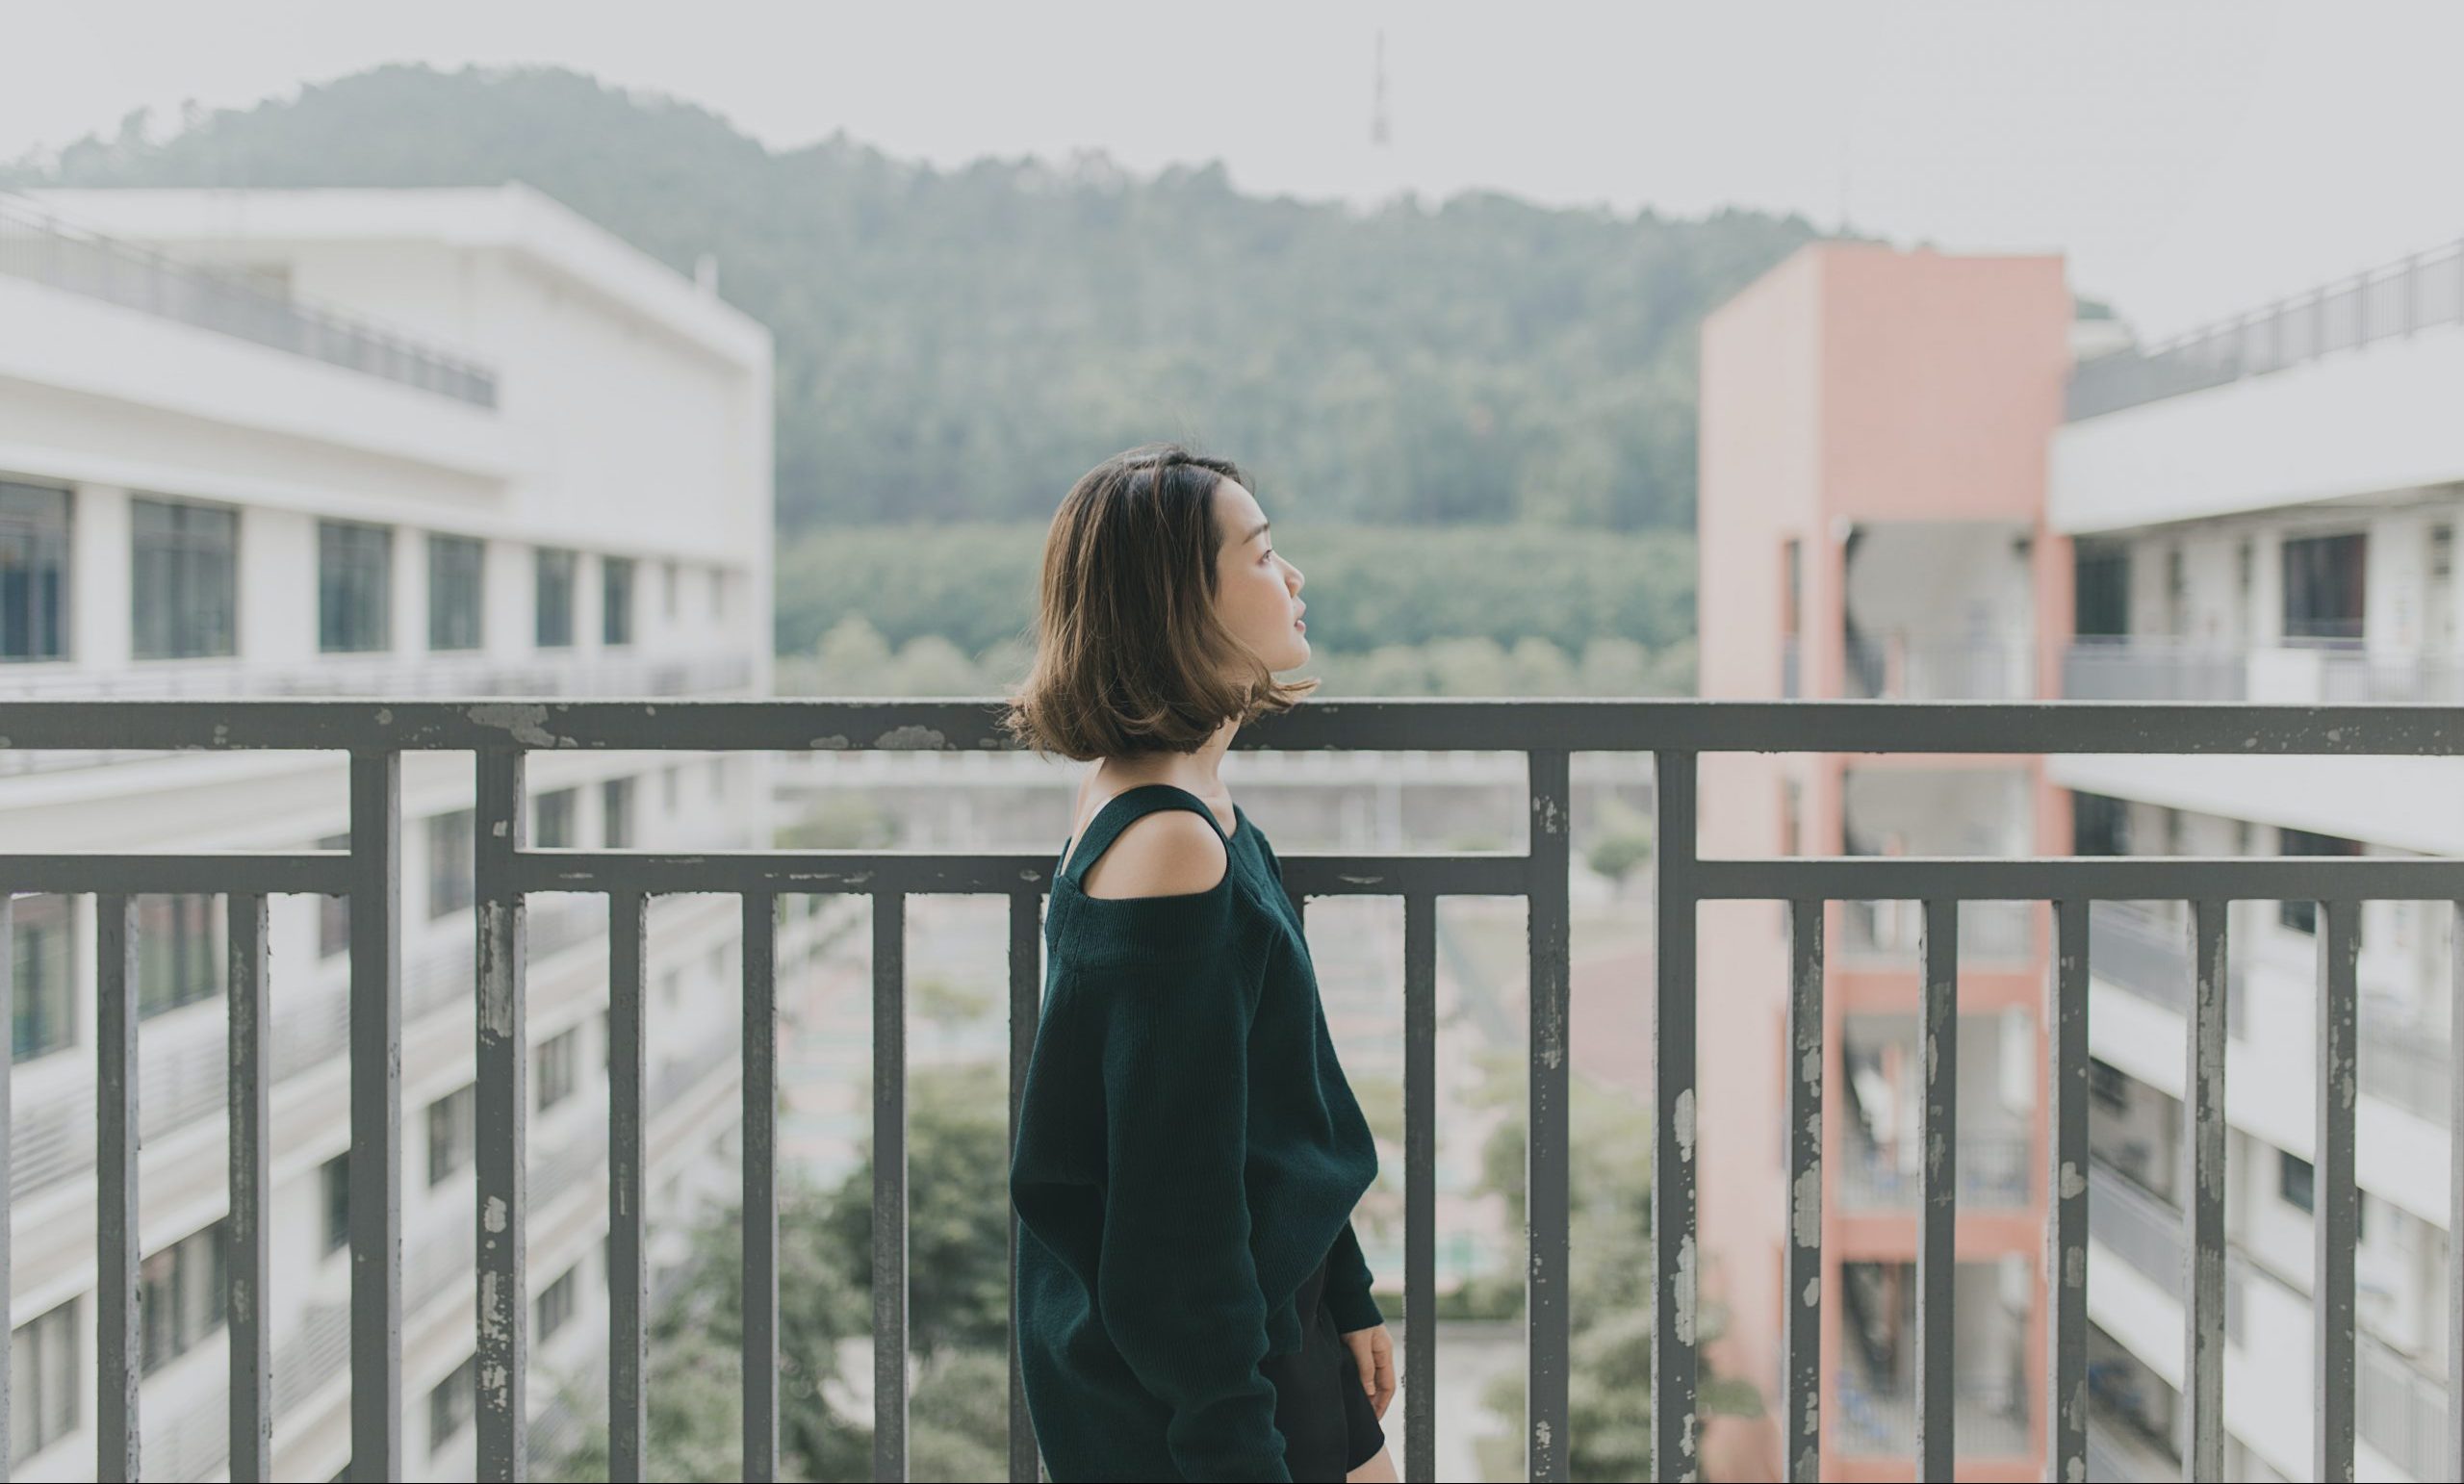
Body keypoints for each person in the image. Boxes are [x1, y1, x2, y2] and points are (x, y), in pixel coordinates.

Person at [1002, 443, 1399, 1482]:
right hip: (1201, 1373)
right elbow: (1171, 1220)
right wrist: (1233, 1444)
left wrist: (1344, 1288)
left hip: (1274, 1306)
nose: (1294, 578)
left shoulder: (1197, 805)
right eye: (1263, 555)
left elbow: (1274, 1096)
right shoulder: (1165, 845)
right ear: (1180, 600)